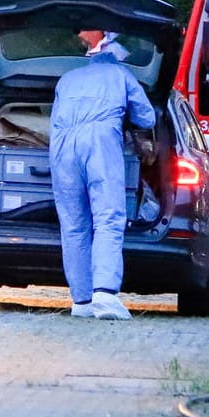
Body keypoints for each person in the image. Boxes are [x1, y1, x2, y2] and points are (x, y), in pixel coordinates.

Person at [49, 29, 155, 320]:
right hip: (99, 141)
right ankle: (105, 295)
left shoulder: (67, 79)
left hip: (61, 146)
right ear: (116, 56)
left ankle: (81, 300)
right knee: (108, 217)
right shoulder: (121, 75)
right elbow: (146, 116)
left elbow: (55, 116)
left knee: (73, 224)